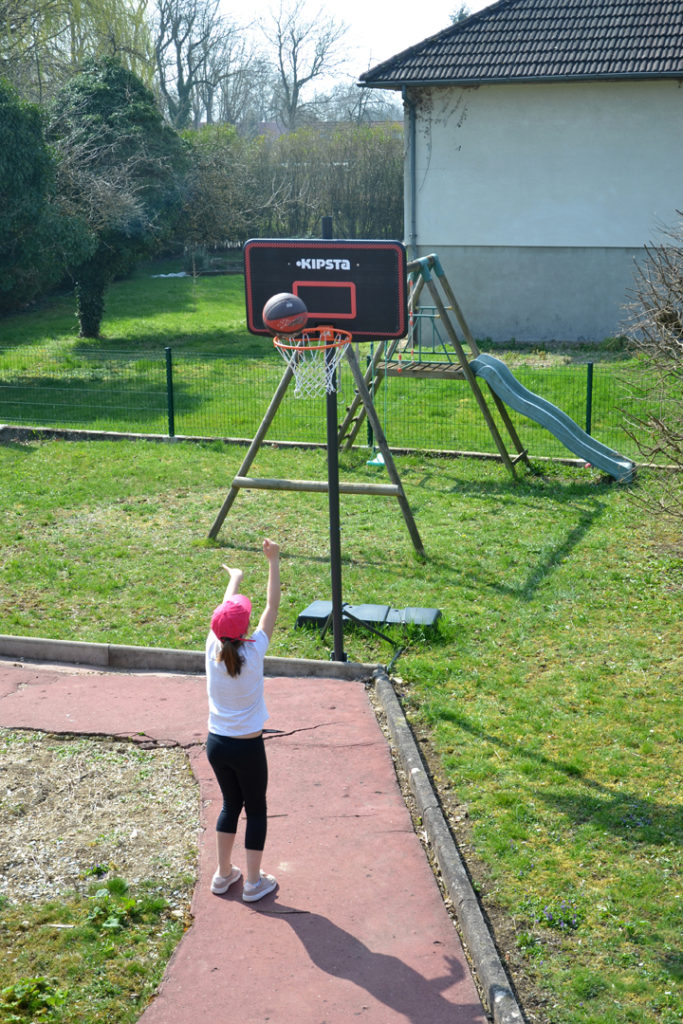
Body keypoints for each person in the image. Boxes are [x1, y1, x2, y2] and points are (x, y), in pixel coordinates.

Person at [205, 538, 281, 902]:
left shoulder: (211, 647)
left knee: (229, 805)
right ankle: (253, 883)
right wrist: (273, 561)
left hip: (216, 744)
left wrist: (234, 578)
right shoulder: (255, 650)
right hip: (247, 748)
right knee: (257, 810)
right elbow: (271, 605)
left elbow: (224, 613)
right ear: (244, 629)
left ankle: (223, 875)